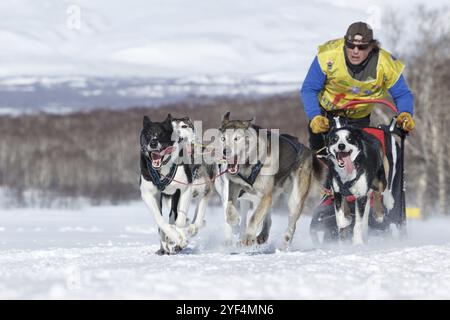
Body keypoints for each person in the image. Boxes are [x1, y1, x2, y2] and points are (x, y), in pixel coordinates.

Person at [300, 22, 415, 154]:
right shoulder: (328, 56)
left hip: (359, 120)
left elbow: (402, 94)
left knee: (358, 161)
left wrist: (405, 113)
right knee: (320, 161)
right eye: (350, 45)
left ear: (371, 47)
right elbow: (309, 88)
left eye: (361, 47)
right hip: (325, 117)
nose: (355, 51)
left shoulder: (385, 64)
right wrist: (315, 116)